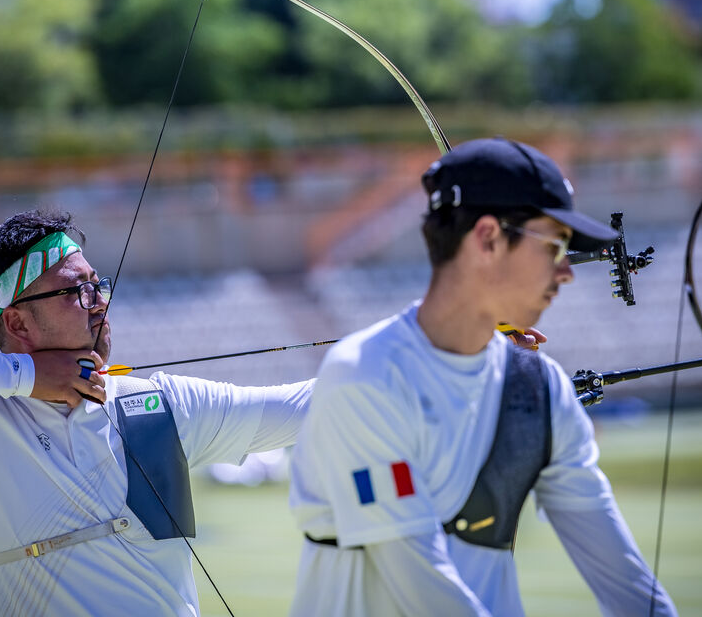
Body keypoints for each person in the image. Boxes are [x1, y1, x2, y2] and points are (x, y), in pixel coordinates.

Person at [0, 210, 313, 615]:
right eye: (76, 292)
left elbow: (312, 407)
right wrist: (25, 375)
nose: (100, 302)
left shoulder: (161, 405)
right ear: (17, 321)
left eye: (98, 285)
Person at [287, 137, 676, 616]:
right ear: (488, 238)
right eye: (555, 246)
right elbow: (425, 590)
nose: (567, 272)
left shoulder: (542, 388)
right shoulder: (362, 376)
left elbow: (629, 584)